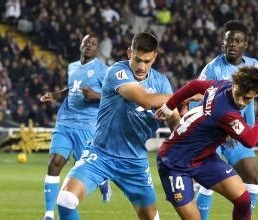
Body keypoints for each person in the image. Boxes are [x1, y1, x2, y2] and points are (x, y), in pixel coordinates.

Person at [56, 32, 180, 220]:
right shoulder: (117, 71)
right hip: (101, 154)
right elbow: (146, 100)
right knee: (66, 199)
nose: (140, 66)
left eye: (147, 61)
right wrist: (184, 95)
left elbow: (175, 120)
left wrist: (178, 133)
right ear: (130, 53)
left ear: (155, 57)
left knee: (151, 217)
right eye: (137, 59)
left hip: (135, 161)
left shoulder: (162, 83)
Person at [156, 66, 258, 220]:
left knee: (243, 201)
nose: (241, 101)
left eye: (247, 98)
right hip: (174, 162)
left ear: (257, 94)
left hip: (204, 158)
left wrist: (169, 106)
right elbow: (251, 140)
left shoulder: (221, 85)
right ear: (234, 84)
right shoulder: (225, 112)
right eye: (239, 94)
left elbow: (194, 85)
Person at [192, 20, 258, 219]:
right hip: (211, 132)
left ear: (245, 45)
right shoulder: (213, 68)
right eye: (229, 40)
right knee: (208, 184)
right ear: (223, 43)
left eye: (237, 40)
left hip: (236, 133)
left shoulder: (254, 65)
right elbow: (195, 99)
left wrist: (248, 130)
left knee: (253, 176)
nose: (233, 44)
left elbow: (251, 102)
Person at [40, 33, 110, 220]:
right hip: (65, 122)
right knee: (55, 163)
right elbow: (70, 90)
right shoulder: (72, 67)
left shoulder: (104, 71)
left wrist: (96, 96)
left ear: (98, 49)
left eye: (93, 43)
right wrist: (53, 96)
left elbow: (114, 97)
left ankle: (103, 182)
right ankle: (48, 214)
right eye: (86, 42)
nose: (88, 45)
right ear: (80, 45)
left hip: (87, 126)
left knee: (87, 168)